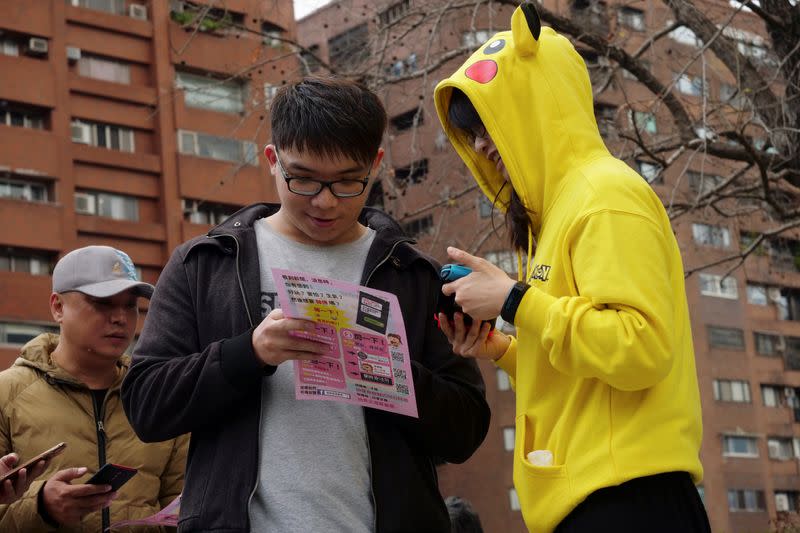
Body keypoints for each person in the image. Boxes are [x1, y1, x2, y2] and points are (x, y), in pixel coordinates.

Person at [121, 76, 490, 532]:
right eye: (304, 180)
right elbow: (146, 406)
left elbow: (467, 430)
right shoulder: (207, 264)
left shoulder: (410, 275)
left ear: (374, 165)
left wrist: (388, 373)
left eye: (347, 183)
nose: (325, 202)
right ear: (273, 161)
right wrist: (249, 353)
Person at [433, 3, 708, 533]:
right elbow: (590, 373)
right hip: (597, 499)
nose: (483, 145)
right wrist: (505, 349)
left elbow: (640, 347)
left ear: (536, 107)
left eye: (490, 123)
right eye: (473, 133)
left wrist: (514, 301)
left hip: (628, 501)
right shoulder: (558, 213)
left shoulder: (603, 195)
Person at [0, 246, 188, 532]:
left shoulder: (157, 394)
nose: (120, 318)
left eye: (130, 305)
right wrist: (41, 507)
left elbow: (185, 509)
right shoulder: (7, 394)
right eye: (103, 303)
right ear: (58, 307)